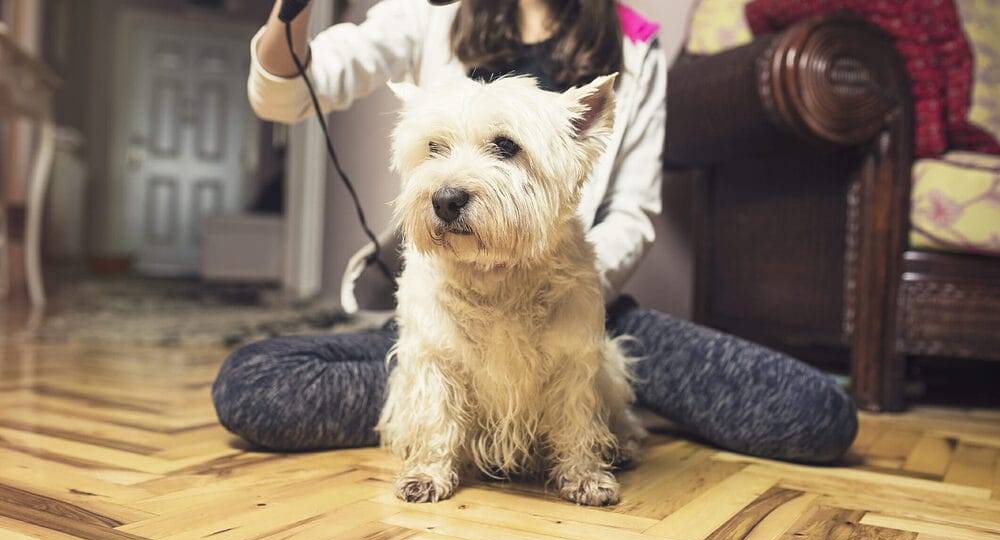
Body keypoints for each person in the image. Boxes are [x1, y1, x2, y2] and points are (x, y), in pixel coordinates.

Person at [212, 0, 858, 463]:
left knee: (813, 414)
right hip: (446, 309)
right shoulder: (431, 10)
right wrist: (291, 12)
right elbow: (285, 94)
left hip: (579, 309)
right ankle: (448, 407)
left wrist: (562, 278)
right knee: (251, 385)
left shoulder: (634, 43)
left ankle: (565, 408)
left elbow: (633, 209)